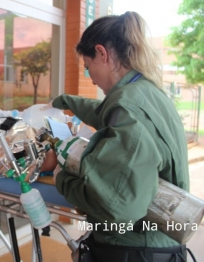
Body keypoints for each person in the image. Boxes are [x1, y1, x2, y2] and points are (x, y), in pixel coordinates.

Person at [46, 12, 190, 262]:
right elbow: (104, 113)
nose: (90, 78)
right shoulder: (144, 90)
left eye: (88, 68)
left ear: (102, 53)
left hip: (136, 249)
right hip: (157, 243)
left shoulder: (128, 107)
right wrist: (62, 102)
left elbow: (114, 207)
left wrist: (61, 177)